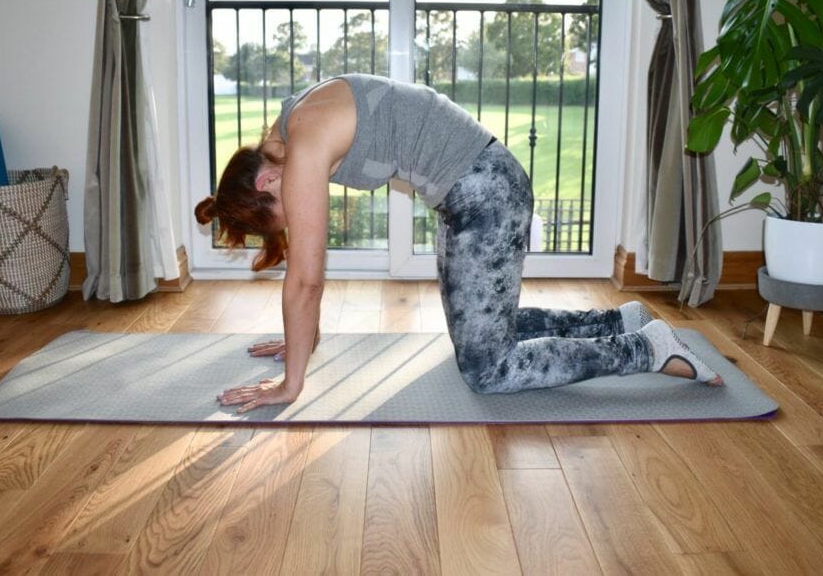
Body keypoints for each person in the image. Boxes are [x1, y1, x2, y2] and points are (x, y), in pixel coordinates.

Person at [196, 74, 723, 413]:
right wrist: (301, 341)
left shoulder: (304, 138)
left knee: (487, 370)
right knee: (480, 335)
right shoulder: (297, 120)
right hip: (468, 195)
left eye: (281, 217)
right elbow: (306, 280)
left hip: (487, 193)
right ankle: (621, 321)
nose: (295, 218)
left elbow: (307, 279)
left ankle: (647, 350)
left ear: (267, 184)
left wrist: (290, 385)